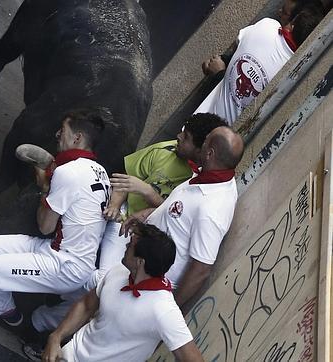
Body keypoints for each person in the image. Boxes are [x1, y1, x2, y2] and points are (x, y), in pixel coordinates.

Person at [27, 113, 227, 344]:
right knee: (93, 276)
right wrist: (114, 204)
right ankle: (54, 298)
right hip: (123, 224)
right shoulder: (167, 151)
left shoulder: (202, 187)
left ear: (203, 151)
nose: (178, 136)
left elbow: (177, 224)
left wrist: (148, 193)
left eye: (187, 136)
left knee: (100, 283)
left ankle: (44, 320)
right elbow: (124, 180)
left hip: (148, 252)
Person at [0, 109, 111, 362]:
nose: (58, 134)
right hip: (64, 254)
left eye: (64, 130)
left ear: (77, 137)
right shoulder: (100, 173)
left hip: (64, 266)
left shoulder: (69, 172)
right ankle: (7, 311)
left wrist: (44, 188)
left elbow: (45, 226)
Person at [121, 125, 245, 309]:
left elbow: (201, 270)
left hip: (147, 286)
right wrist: (147, 215)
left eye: (205, 142)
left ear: (209, 154)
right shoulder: (209, 175)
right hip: (136, 261)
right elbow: (177, 211)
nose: (200, 145)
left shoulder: (212, 210)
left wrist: (169, 310)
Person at [42, 222, 203, 362]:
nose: (125, 246)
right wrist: (56, 337)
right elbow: (86, 305)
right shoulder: (119, 271)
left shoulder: (164, 310)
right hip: (68, 354)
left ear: (140, 262)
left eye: (130, 246)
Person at [195, 3, 324, 124]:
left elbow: (236, 49)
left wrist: (220, 73)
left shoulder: (267, 26)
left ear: (292, 24)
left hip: (199, 124)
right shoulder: (295, 74)